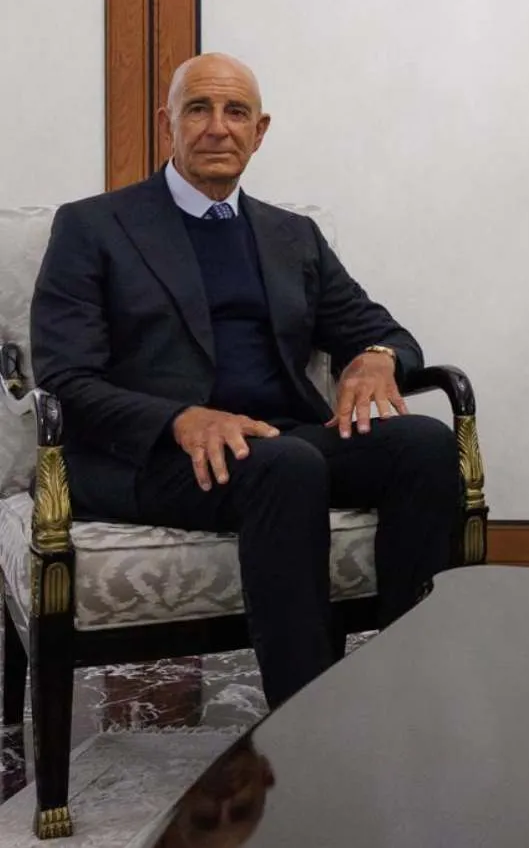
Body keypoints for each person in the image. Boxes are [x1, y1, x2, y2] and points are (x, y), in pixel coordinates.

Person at [30, 53, 460, 708]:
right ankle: (308, 723)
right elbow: (66, 377)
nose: (217, 127)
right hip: (152, 455)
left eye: (236, 113)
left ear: (259, 132)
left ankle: (407, 693)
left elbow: (381, 331)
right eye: (198, 109)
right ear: (167, 124)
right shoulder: (93, 227)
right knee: (287, 467)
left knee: (424, 445)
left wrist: (376, 358)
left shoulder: (293, 236)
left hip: (278, 441)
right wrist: (180, 419)